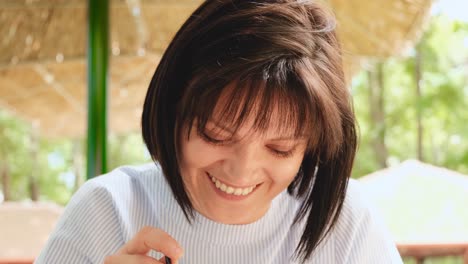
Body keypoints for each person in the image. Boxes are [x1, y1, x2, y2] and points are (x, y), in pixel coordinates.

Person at [36, 0, 402, 263]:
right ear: (173, 113)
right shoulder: (108, 209)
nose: (242, 172)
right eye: (216, 135)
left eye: (280, 148)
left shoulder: (345, 219)